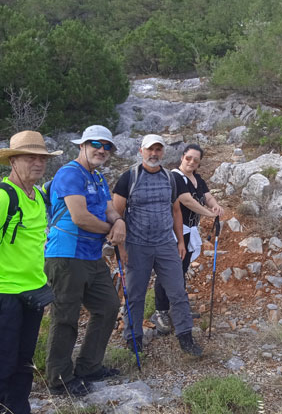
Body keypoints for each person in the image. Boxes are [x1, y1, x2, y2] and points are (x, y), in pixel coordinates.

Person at [45, 125, 124, 396]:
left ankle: (89, 366)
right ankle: (59, 379)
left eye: (107, 146)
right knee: (65, 317)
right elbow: (80, 217)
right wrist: (112, 230)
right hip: (66, 255)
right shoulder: (69, 173)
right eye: (96, 144)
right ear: (82, 145)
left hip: (91, 256)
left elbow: (109, 208)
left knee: (108, 305)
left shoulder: (99, 177)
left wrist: (119, 221)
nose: (101, 150)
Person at [112, 134, 202, 356]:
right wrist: (121, 248)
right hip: (137, 244)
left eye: (158, 150)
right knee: (135, 294)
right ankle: (133, 338)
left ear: (163, 152)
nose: (154, 154)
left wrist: (180, 241)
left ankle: (185, 337)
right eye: (150, 150)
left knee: (178, 291)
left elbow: (175, 210)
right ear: (141, 151)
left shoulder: (169, 178)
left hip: (165, 244)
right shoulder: (128, 178)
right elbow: (116, 214)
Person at [0, 130, 61, 414]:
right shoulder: (3, 197)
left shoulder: (37, 194)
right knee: (4, 360)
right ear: (13, 160)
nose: (37, 163)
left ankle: (19, 407)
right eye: (30, 157)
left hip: (34, 292)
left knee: (25, 360)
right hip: (6, 294)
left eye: (42, 158)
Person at [151, 144, 224, 335]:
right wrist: (209, 214)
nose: (191, 162)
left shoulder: (197, 179)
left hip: (190, 230)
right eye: (188, 158)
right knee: (169, 271)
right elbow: (186, 200)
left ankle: (178, 307)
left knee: (181, 270)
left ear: (199, 163)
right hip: (176, 231)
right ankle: (160, 310)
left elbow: (207, 196)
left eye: (196, 160)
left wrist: (215, 206)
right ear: (182, 157)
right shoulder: (175, 177)